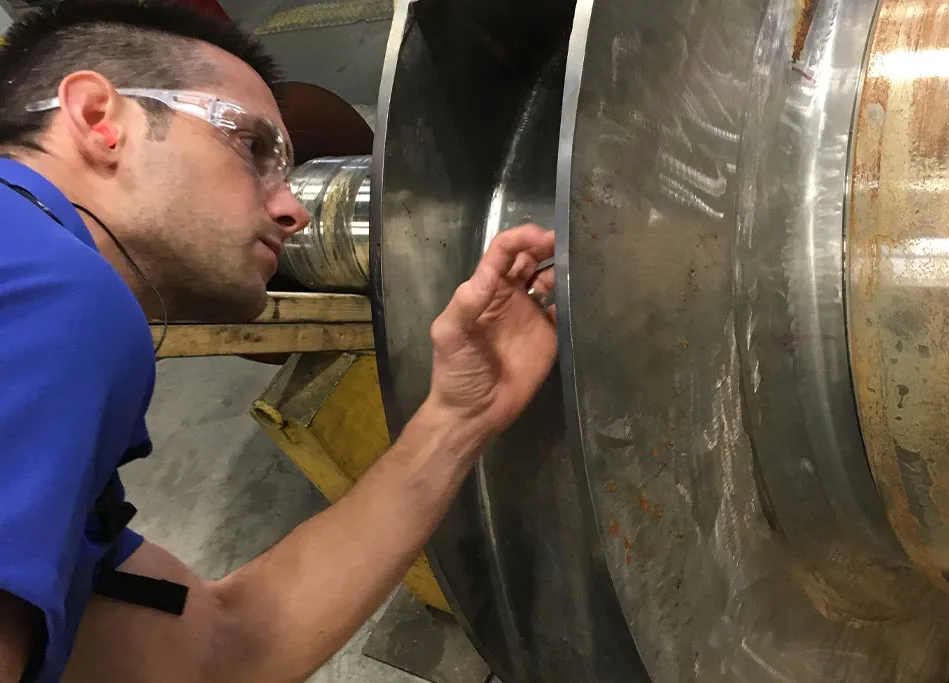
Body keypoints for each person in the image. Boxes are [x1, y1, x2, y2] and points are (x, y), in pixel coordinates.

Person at [0, 1, 557, 682]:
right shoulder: (52, 284)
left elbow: (225, 649)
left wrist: (457, 416)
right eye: (253, 147)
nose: (291, 208)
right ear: (97, 117)